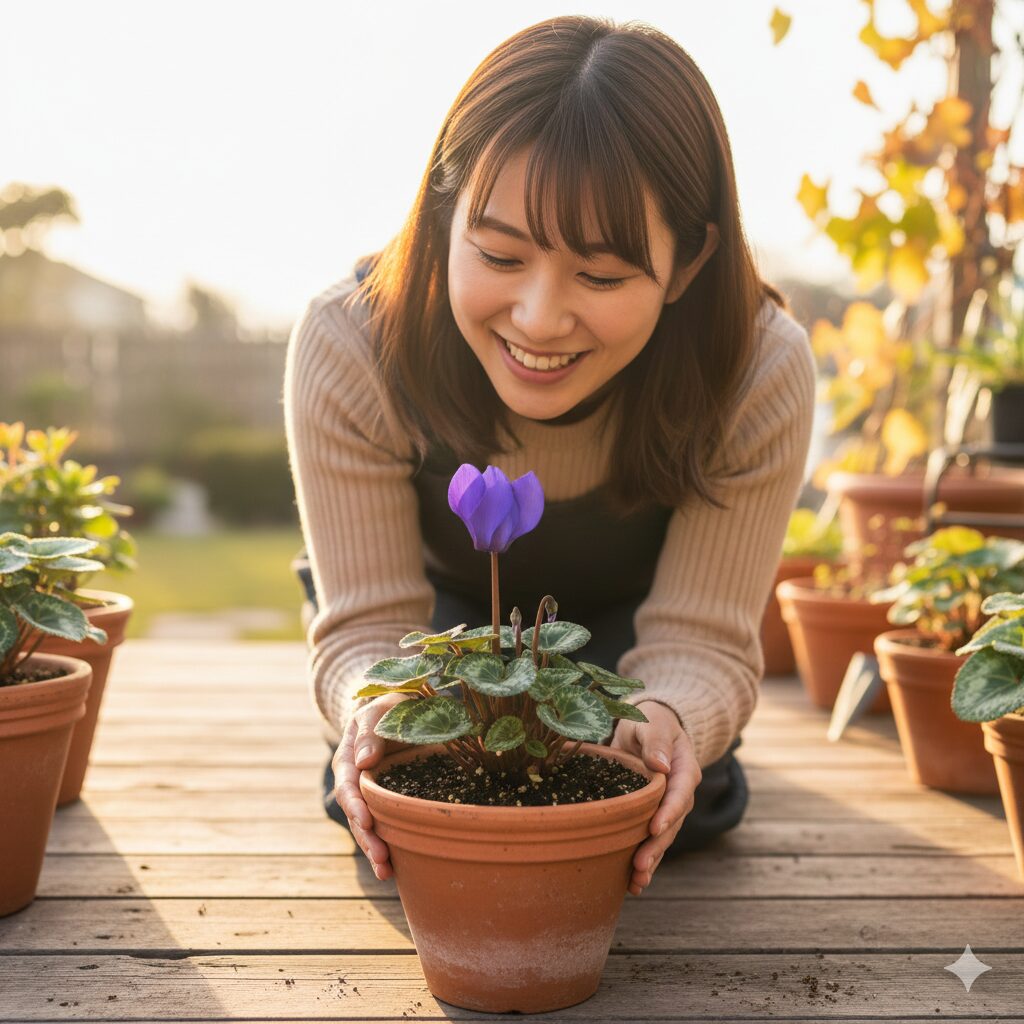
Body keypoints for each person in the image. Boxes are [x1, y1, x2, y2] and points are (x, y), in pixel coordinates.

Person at [284, 15, 815, 898]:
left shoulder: (753, 368)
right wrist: (370, 707)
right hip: (438, 632)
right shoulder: (354, 343)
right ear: (445, 213)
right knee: (391, 790)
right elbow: (371, 626)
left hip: (628, 632)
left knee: (681, 790)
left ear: (687, 264)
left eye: (602, 277)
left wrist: (671, 713)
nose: (538, 318)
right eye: (499, 254)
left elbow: (702, 636)